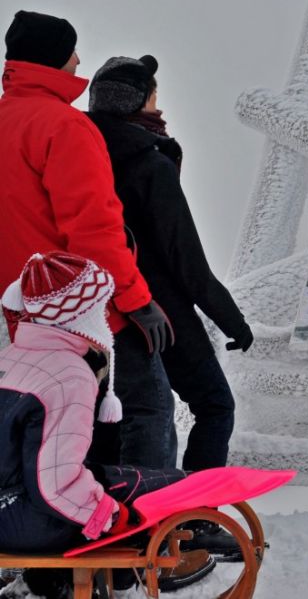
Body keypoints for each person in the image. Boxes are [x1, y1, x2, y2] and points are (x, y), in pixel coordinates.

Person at [87, 55, 253, 558]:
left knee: (110, 422)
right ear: (137, 102)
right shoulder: (148, 161)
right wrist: (231, 318)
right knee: (214, 405)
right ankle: (192, 519)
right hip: (159, 312)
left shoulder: (82, 153)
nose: (159, 105)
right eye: (154, 96)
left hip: (93, 311)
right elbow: (186, 260)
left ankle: (112, 518)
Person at [0, 11, 176, 470]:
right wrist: (139, 302)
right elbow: (94, 230)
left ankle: (75, 515)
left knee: (69, 419)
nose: (79, 60)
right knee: (147, 406)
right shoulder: (65, 127)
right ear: (59, 59)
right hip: (84, 309)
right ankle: (141, 528)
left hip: (24, 312)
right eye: (73, 51)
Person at [0, 251, 213, 599]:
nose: (103, 316)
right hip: (26, 525)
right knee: (133, 491)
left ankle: (46, 585)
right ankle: (139, 565)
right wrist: (114, 518)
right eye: (99, 308)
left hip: (10, 509)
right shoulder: (69, 374)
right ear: (80, 315)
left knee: (104, 480)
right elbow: (54, 487)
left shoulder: (10, 356)